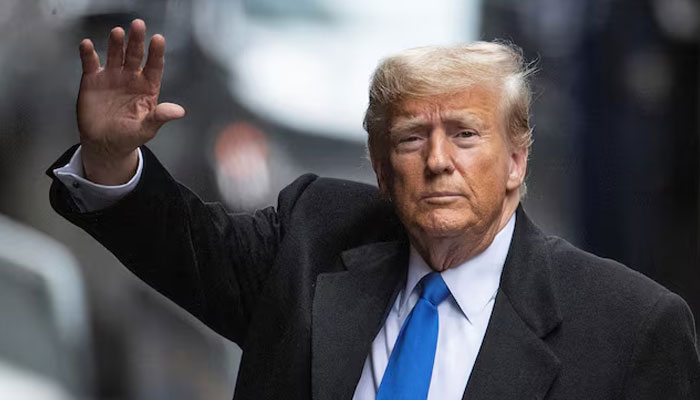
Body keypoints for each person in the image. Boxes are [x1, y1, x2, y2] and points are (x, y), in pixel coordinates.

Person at [47, 19, 699, 399]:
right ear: (382, 169)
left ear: (517, 161)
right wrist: (108, 158)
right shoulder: (314, 233)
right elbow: (181, 243)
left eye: (466, 135)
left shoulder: (632, 329)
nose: (438, 160)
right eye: (413, 138)